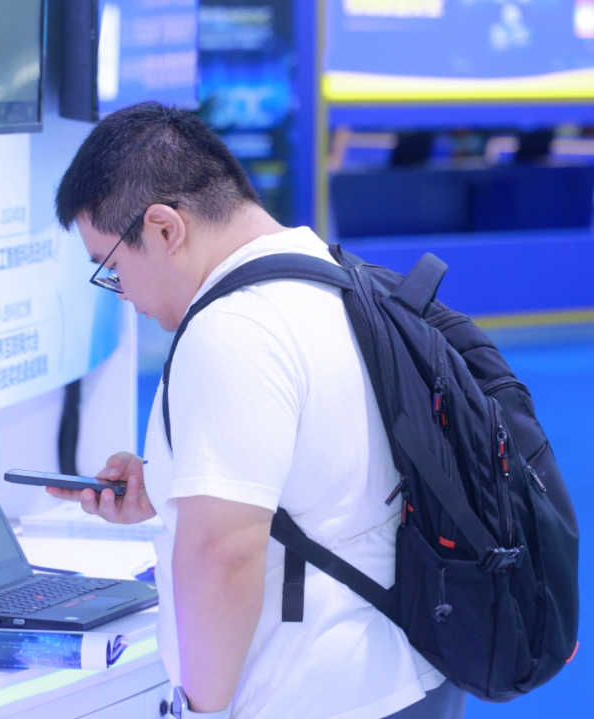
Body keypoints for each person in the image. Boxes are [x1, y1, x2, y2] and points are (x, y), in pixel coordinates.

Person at [48, 103, 466, 719]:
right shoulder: (336, 277)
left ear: (164, 229)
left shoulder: (231, 329)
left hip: (320, 695)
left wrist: (202, 710)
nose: (124, 293)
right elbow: (329, 474)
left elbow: (224, 555)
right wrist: (171, 485)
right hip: (407, 669)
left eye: (111, 268)